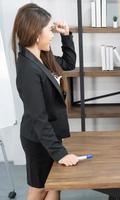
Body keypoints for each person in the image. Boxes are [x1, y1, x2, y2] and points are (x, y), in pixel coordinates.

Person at [12, 3, 78, 200]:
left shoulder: (42, 57)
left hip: (49, 136)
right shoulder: (28, 69)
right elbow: (38, 118)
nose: (52, 34)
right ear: (35, 32)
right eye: (49, 30)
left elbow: (68, 63)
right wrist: (60, 154)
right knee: (39, 189)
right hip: (38, 140)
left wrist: (66, 35)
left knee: (54, 186)